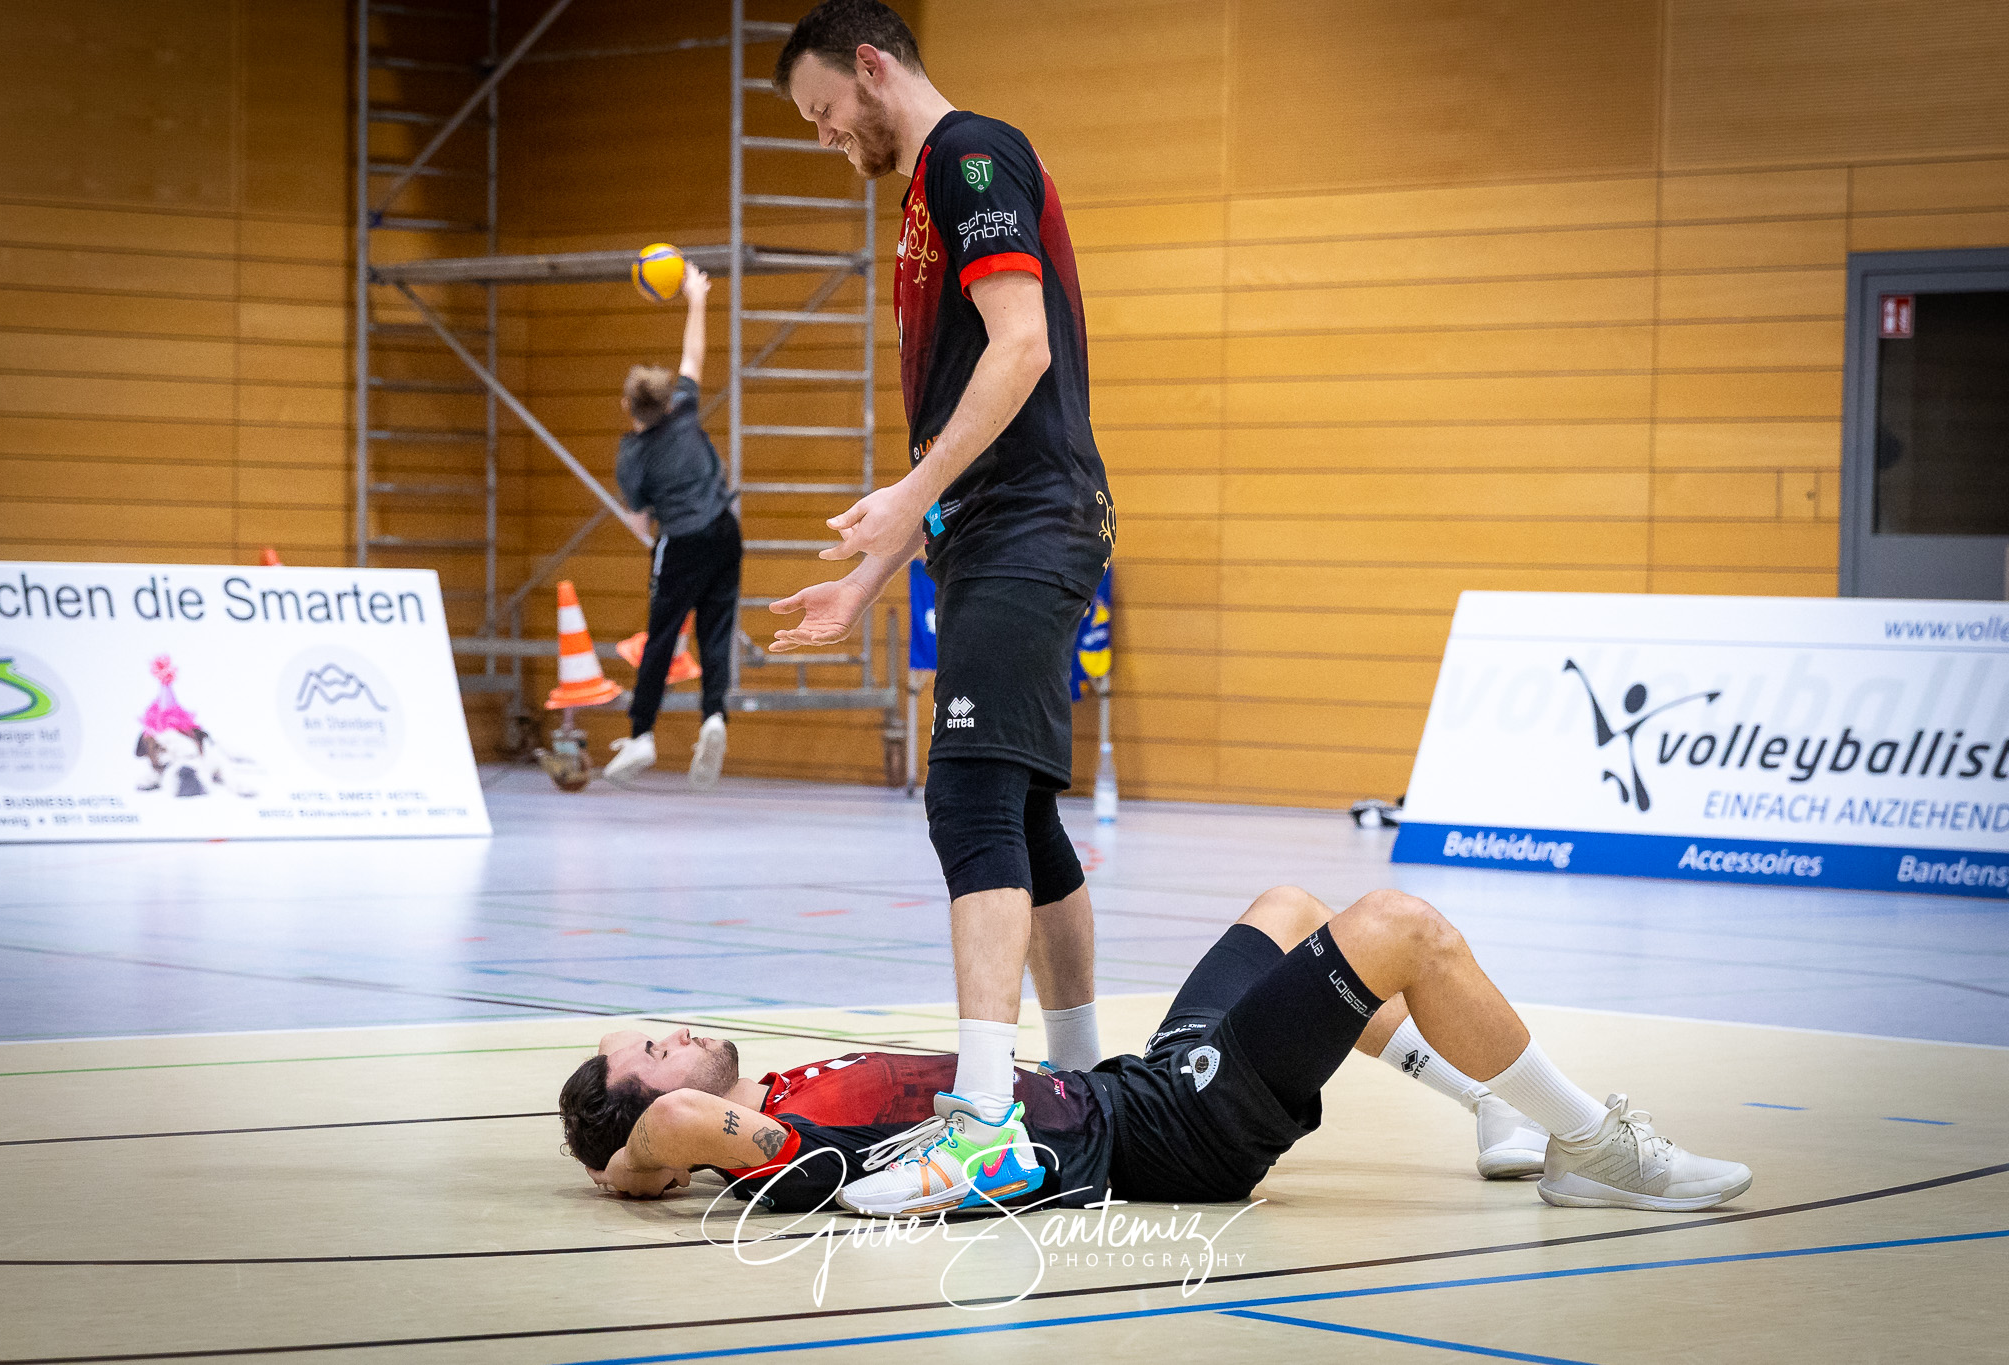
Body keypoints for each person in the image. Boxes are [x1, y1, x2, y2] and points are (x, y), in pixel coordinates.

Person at [763, 0, 1118, 1214]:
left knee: (966, 793)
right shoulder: (921, 200)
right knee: (1019, 809)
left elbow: (1018, 350)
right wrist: (871, 571)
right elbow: (958, 418)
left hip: (1030, 521)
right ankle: (1081, 1093)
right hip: (986, 529)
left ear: (871, 67)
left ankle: (983, 1132)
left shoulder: (971, 157)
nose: (823, 137)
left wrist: (909, 490)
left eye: (822, 110)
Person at [561, 885, 1751, 1217]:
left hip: (1128, 1090)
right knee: (1395, 930)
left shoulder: (779, 1090)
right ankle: (1595, 1146)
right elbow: (660, 1142)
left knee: (1286, 908)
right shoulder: (769, 1146)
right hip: (1164, 1140)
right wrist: (621, 1161)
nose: (675, 1038)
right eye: (651, 1051)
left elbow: (660, 1124)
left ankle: (1498, 1109)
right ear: (649, 1108)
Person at [604, 266, 742, 790]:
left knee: (662, 636)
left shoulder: (632, 456)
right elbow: (694, 355)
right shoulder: (684, 409)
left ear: (629, 407)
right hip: (726, 532)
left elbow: (641, 520)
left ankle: (641, 734)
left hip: (680, 541)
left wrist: (656, 542)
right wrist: (696, 297)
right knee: (716, 630)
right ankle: (713, 717)